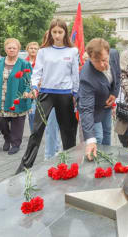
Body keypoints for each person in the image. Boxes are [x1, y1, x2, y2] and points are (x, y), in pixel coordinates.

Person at [16, 18, 79, 173]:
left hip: (65, 95)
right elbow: (37, 72)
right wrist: (33, 87)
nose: (57, 35)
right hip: (46, 94)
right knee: (36, 131)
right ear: (50, 33)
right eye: (54, 32)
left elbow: (75, 75)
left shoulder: (72, 51)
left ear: (65, 33)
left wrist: (75, 94)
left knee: (68, 132)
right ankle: (25, 166)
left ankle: (69, 165)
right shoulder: (43, 51)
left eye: (60, 32)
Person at [0, 38, 32, 154]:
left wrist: (27, 91)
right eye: (9, 48)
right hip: (1, 97)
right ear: (5, 49)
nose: (11, 50)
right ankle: (7, 138)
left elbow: (29, 82)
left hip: (17, 97)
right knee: (1, 119)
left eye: (14, 48)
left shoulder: (24, 64)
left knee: (17, 121)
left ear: (18, 49)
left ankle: (16, 144)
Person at [78, 38, 120, 160]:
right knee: (97, 138)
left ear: (108, 53)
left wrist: (114, 93)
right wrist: (90, 140)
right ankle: (96, 167)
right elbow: (86, 109)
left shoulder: (114, 54)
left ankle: (107, 161)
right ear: (90, 58)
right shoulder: (86, 77)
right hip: (93, 108)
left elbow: (117, 75)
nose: (102, 65)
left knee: (107, 133)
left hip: (107, 103)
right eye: (97, 61)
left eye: (104, 60)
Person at [25, 42, 39, 131]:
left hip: (39, 90)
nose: (33, 50)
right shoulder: (23, 62)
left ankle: (36, 132)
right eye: (31, 48)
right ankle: (33, 133)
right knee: (30, 114)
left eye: (35, 48)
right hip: (27, 90)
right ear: (27, 49)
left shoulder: (40, 62)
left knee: (34, 113)